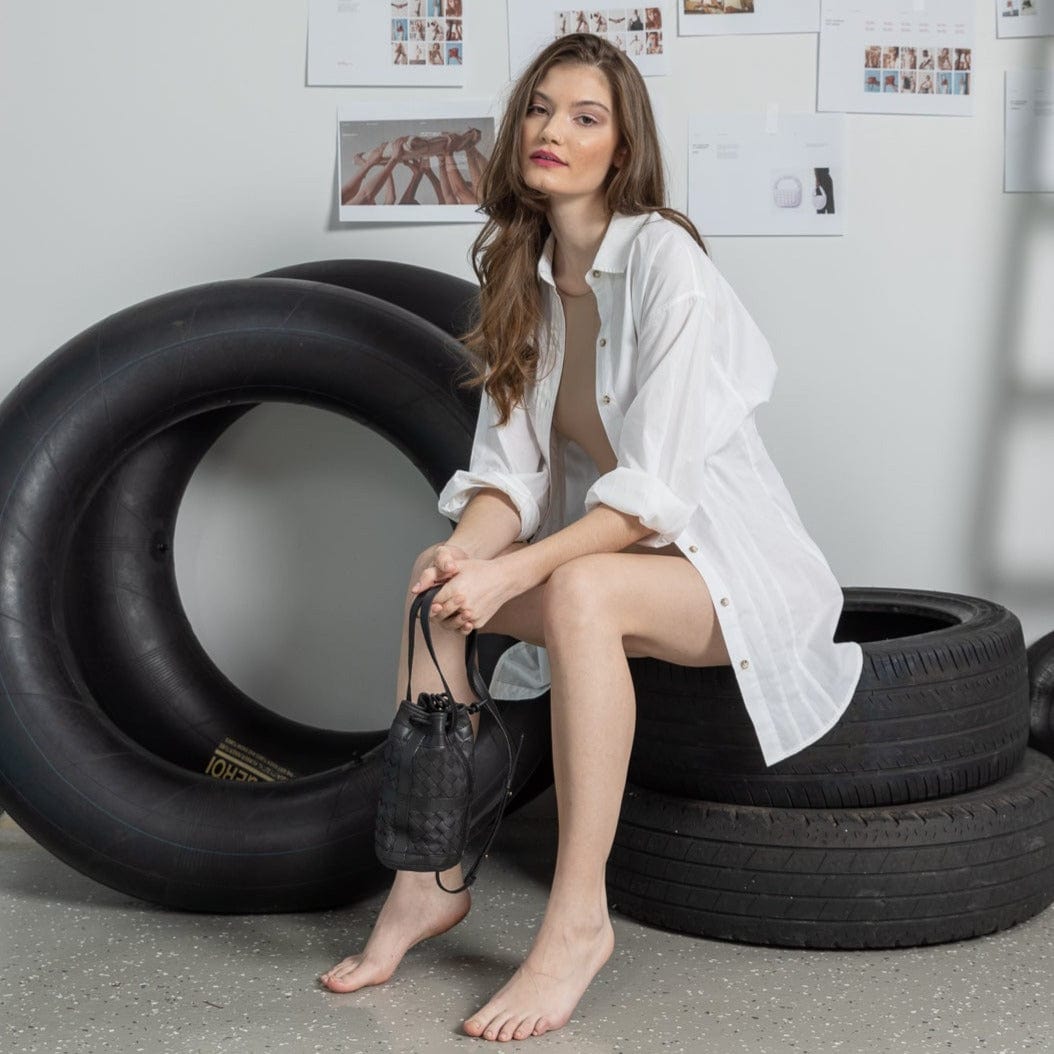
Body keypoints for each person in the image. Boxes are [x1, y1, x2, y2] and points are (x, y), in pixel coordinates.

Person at [319, 31, 863, 1042]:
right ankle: (424, 879)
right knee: (432, 583)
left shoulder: (665, 264)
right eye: (539, 108)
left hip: (726, 574)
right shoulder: (521, 275)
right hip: (615, 565)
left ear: (623, 147)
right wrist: (470, 553)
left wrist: (514, 572)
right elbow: (510, 479)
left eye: (585, 116)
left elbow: (652, 500)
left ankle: (577, 922)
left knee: (579, 589)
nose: (553, 130)